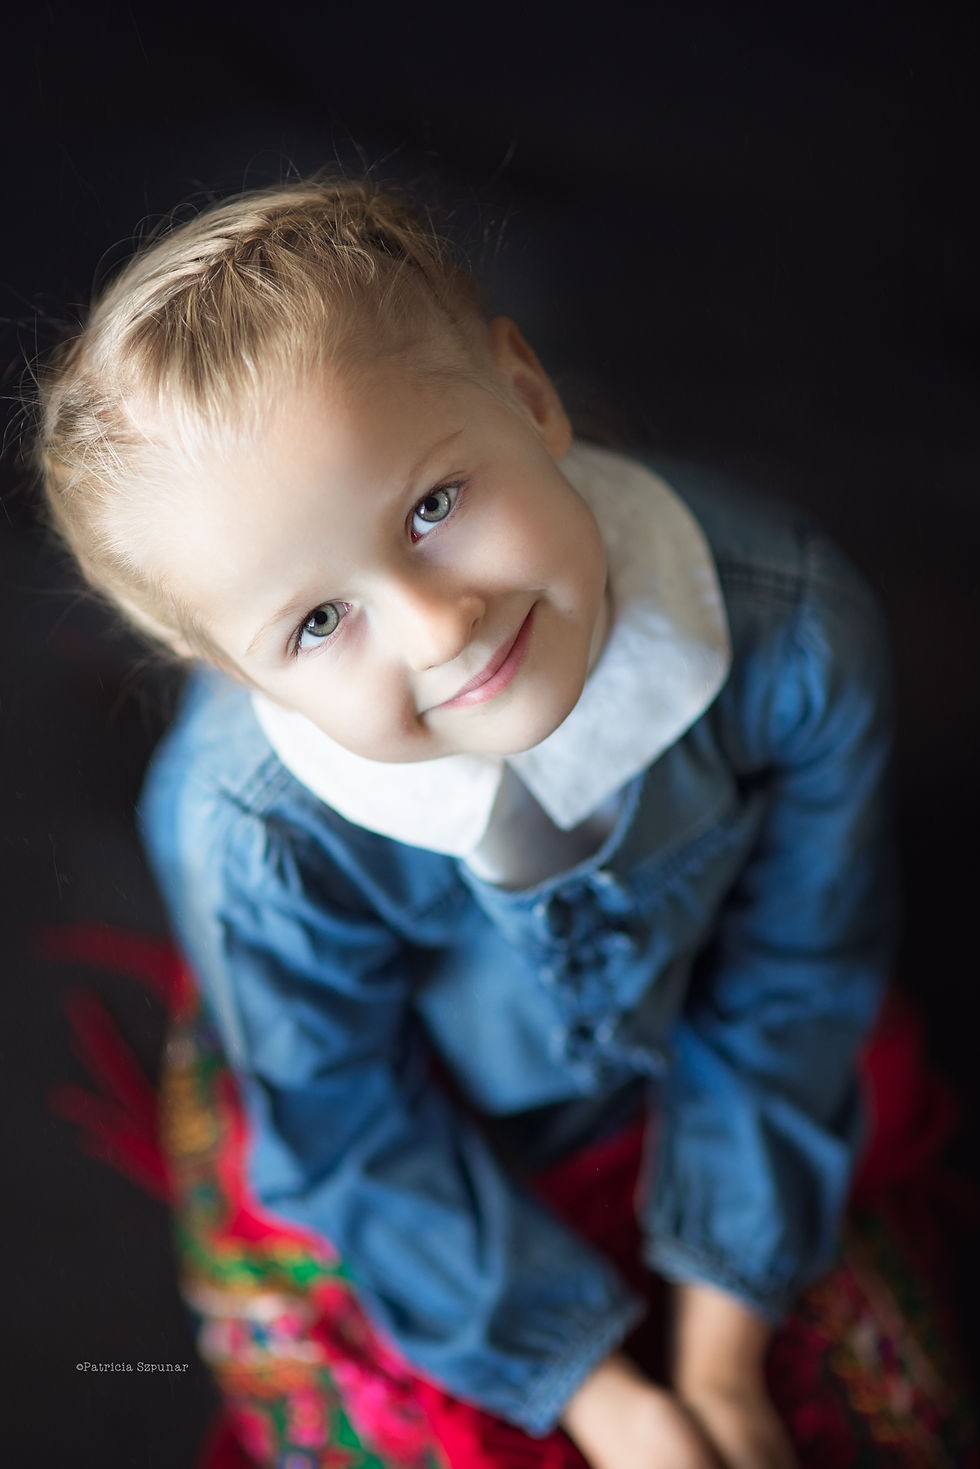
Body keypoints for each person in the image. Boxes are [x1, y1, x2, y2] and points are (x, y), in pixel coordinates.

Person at [36, 177, 899, 1469]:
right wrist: (610, 1399)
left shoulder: (797, 633)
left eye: (434, 505)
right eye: (317, 622)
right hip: (385, 1131)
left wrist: (719, 1364)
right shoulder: (248, 830)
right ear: (231, 669)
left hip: (704, 1072)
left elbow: (797, 979)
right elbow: (347, 1124)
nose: (440, 627)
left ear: (527, 394)